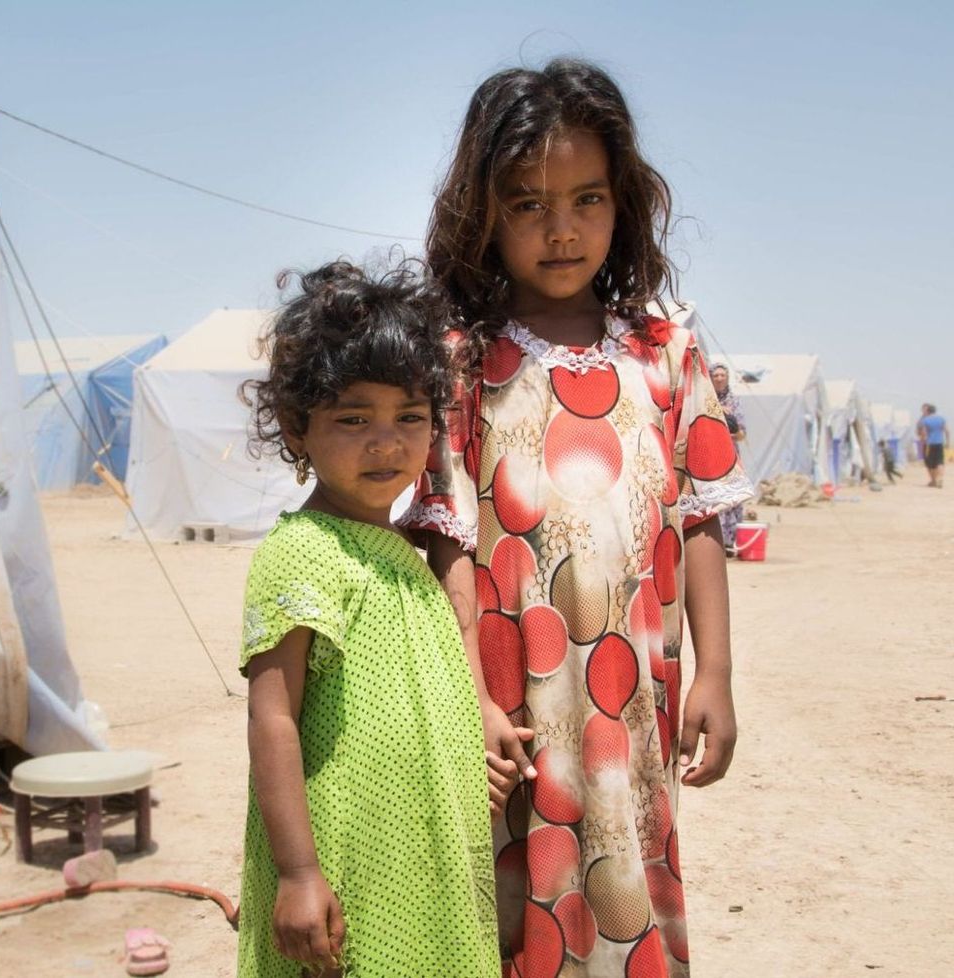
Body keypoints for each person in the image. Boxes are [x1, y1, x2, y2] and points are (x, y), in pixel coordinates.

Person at [400, 60, 754, 977]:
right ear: (484, 215)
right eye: (527, 204)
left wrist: (713, 672)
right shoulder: (461, 361)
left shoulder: (666, 351)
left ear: (624, 203)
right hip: (514, 710)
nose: (562, 229)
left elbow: (704, 522)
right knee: (519, 906)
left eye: (587, 198)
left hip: (630, 696)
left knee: (624, 874)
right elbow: (447, 540)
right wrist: (469, 699)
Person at [236, 260, 522, 977]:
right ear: (298, 429)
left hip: (423, 852)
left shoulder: (409, 553)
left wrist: (464, 765)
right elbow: (272, 722)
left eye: (410, 418)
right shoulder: (302, 554)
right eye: (354, 418)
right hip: (346, 857)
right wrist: (300, 874)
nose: (386, 443)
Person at [710, 363, 746, 555]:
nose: (720, 378)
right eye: (715, 375)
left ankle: (732, 541)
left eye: (723, 375)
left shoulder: (734, 401)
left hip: (731, 454)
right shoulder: (705, 399)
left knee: (734, 497)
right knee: (716, 496)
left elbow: (742, 433)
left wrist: (727, 429)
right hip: (711, 453)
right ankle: (717, 544)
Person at [917, 403, 947, 488]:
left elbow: (924, 433)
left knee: (930, 463)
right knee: (940, 462)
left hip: (930, 444)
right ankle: (940, 478)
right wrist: (947, 442)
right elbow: (946, 431)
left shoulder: (925, 420)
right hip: (940, 443)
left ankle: (934, 480)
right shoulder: (941, 419)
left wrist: (922, 443)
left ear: (928, 411)